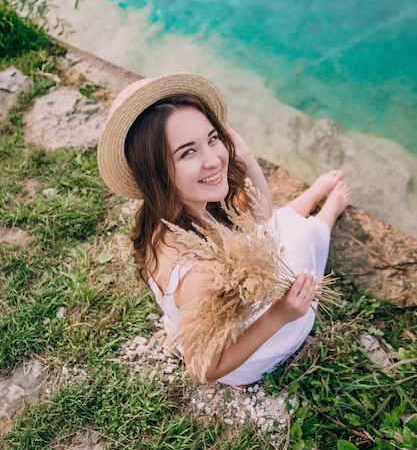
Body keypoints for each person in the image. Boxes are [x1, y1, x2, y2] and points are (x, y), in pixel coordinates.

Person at [97, 72, 350, 387]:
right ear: (157, 171)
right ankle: (328, 212)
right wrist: (280, 315)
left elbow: (260, 217)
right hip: (244, 352)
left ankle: (313, 195)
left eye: (212, 138)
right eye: (188, 152)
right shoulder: (198, 274)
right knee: (301, 241)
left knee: (275, 230)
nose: (214, 160)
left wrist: (244, 157)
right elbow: (202, 370)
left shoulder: (163, 214)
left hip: (219, 319)